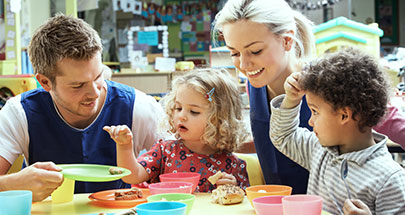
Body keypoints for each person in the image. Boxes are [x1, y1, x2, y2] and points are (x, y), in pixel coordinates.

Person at [212, 0, 405, 194]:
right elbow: (275, 140)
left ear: (287, 40)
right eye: (234, 53)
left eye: (255, 51)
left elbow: (393, 122)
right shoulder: (255, 82)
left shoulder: (329, 83)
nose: (244, 64)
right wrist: (217, 143)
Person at [0, 14, 163, 201]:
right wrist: (12, 184)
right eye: (78, 85)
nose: (94, 93)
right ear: (45, 82)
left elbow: (179, 168)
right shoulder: (19, 113)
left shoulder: (138, 107)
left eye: (98, 77)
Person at [270, 48, 405, 214]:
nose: (311, 121)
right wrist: (291, 100)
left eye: (315, 111)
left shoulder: (389, 178)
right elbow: (282, 136)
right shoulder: (318, 150)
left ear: (344, 115)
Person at [104, 69, 250, 192]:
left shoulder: (233, 166)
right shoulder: (164, 151)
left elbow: (243, 205)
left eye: (194, 111)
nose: (181, 116)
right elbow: (132, 176)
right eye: (178, 108)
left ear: (220, 120)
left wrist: (233, 188)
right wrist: (124, 146)